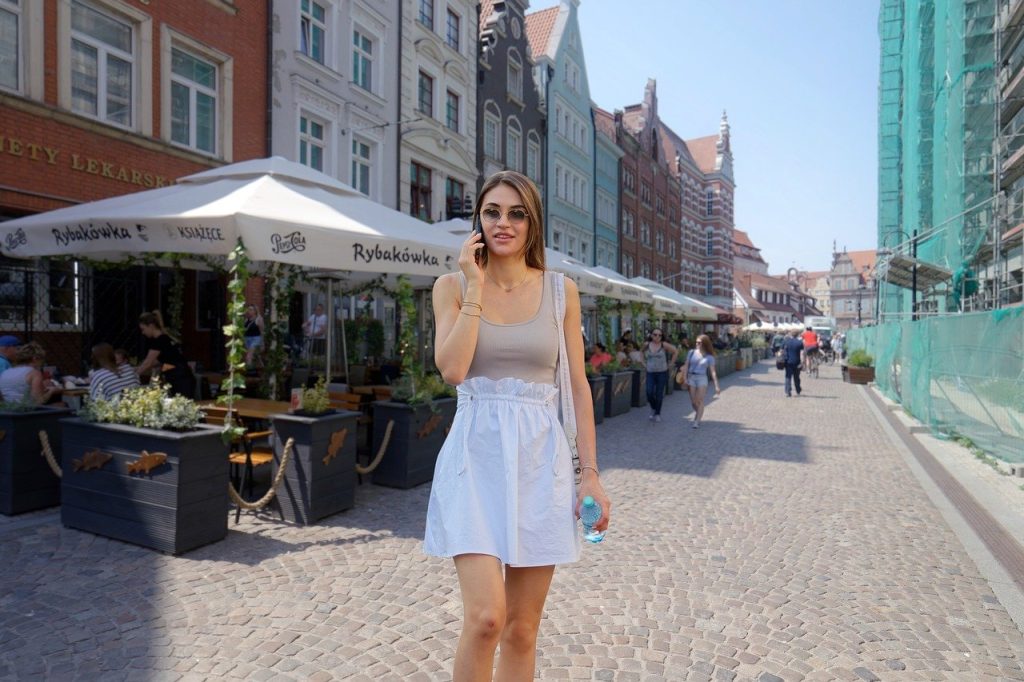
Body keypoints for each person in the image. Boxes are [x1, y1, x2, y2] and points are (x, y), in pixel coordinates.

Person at [424, 170, 610, 680]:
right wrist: (475, 286)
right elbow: (453, 370)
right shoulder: (450, 288)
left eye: (516, 213)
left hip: (539, 463)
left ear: (533, 223)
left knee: (523, 629)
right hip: (474, 462)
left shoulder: (560, 292)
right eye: (492, 212)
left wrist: (590, 475)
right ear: (478, 220)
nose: (503, 223)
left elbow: (578, 387)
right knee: (486, 619)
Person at [137, 311, 196, 398]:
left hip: (180, 379)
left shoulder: (159, 341)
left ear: (151, 326)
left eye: (143, 329)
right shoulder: (165, 338)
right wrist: (135, 369)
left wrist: (133, 375)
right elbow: (159, 361)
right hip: (181, 377)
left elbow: (148, 362)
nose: (143, 332)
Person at [680, 334, 720, 428]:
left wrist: (716, 385)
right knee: (693, 401)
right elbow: (686, 365)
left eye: (699, 343)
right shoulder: (691, 352)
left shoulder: (709, 357)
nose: (697, 344)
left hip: (702, 378)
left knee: (699, 400)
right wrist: (685, 378)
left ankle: (697, 421)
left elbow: (713, 372)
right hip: (691, 377)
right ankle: (699, 413)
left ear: (705, 344)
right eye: (696, 342)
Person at [644, 328, 678, 423]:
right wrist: (643, 363)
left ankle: (657, 413)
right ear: (651, 335)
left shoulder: (664, 345)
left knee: (659, 394)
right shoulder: (647, 344)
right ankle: (654, 407)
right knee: (649, 392)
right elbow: (641, 352)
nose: (657, 337)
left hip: (662, 372)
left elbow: (675, 352)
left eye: (660, 335)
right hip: (650, 372)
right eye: (655, 334)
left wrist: (671, 364)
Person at [781, 328, 805, 397]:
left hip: (788, 362)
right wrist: (802, 362)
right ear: (798, 334)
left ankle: (788, 391)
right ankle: (798, 390)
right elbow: (802, 353)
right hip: (797, 362)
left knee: (788, 377)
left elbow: (781, 351)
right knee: (796, 377)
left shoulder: (786, 341)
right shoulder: (799, 342)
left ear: (791, 334)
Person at [243, 304, 265, 368]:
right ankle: (260, 367)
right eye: (248, 309)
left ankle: (249, 370)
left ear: (255, 311)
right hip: (247, 338)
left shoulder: (258, 319)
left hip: (255, 339)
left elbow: (262, 331)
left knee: (249, 356)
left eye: (251, 309)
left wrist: (262, 343)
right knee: (254, 356)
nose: (249, 311)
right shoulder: (247, 319)